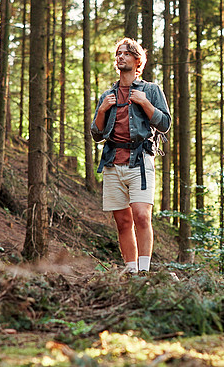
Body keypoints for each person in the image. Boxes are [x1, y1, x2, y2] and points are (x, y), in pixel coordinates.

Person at [91, 38, 171, 274]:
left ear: (138, 61)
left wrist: (146, 104)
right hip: (112, 162)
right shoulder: (108, 96)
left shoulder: (152, 90)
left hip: (141, 160)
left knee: (141, 216)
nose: (121, 57)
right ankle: (131, 271)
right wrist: (103, 110)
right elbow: (96, 134)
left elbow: (165, 124)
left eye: (126, 53)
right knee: (123, 221)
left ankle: (145, 270)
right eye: (118, 53)